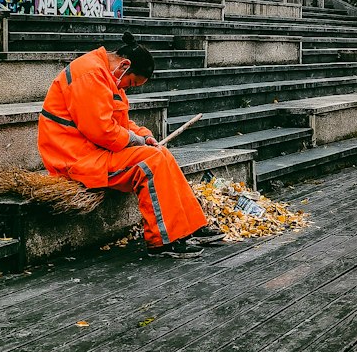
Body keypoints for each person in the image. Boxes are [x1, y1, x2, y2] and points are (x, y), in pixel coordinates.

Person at [38, 31, 223, 257]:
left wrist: (144, 136)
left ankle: (191, 225)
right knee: (151, 162)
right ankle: (163, 241)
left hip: (93, 151)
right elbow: (102, 131)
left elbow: (120, 122)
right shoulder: (90, 74)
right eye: (132, 83)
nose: (128, 88)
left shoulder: (106, 74)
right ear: (124, 65)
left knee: (161, 153)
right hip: (76, 158)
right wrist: (135, 140)